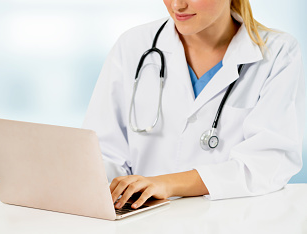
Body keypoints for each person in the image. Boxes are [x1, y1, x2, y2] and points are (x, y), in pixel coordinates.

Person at [83, 0, 304, 210]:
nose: (178, 5)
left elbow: (268, 162)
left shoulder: (277, 53)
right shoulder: (133, 45)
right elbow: (101, 151)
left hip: (230, 221)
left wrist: (166, 184)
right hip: (143, 220)